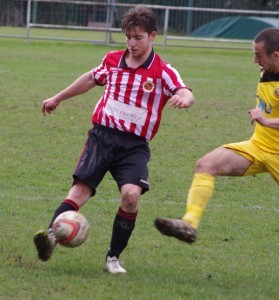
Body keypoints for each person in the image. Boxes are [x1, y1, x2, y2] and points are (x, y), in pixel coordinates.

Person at [154, 27, 279, 257]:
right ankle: (189, 223)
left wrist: (266, 121)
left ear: (276, 55)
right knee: (205, 165)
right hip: (258, 146)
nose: (254, 60)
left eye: (258, 55)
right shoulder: (266, 68)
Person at [34, 5, 195, 274]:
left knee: (131, 196)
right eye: (128, 37)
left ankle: (112, 258)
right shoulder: (112, 60)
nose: (132, 43)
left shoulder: (163, 71)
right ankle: (52, 236)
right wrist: (58, 97)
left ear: (152, 36)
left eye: (138, 38)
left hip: (133, 147)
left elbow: (185, 90)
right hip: (102, 137)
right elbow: (90, 78)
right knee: (79, 192)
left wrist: (185, 99)